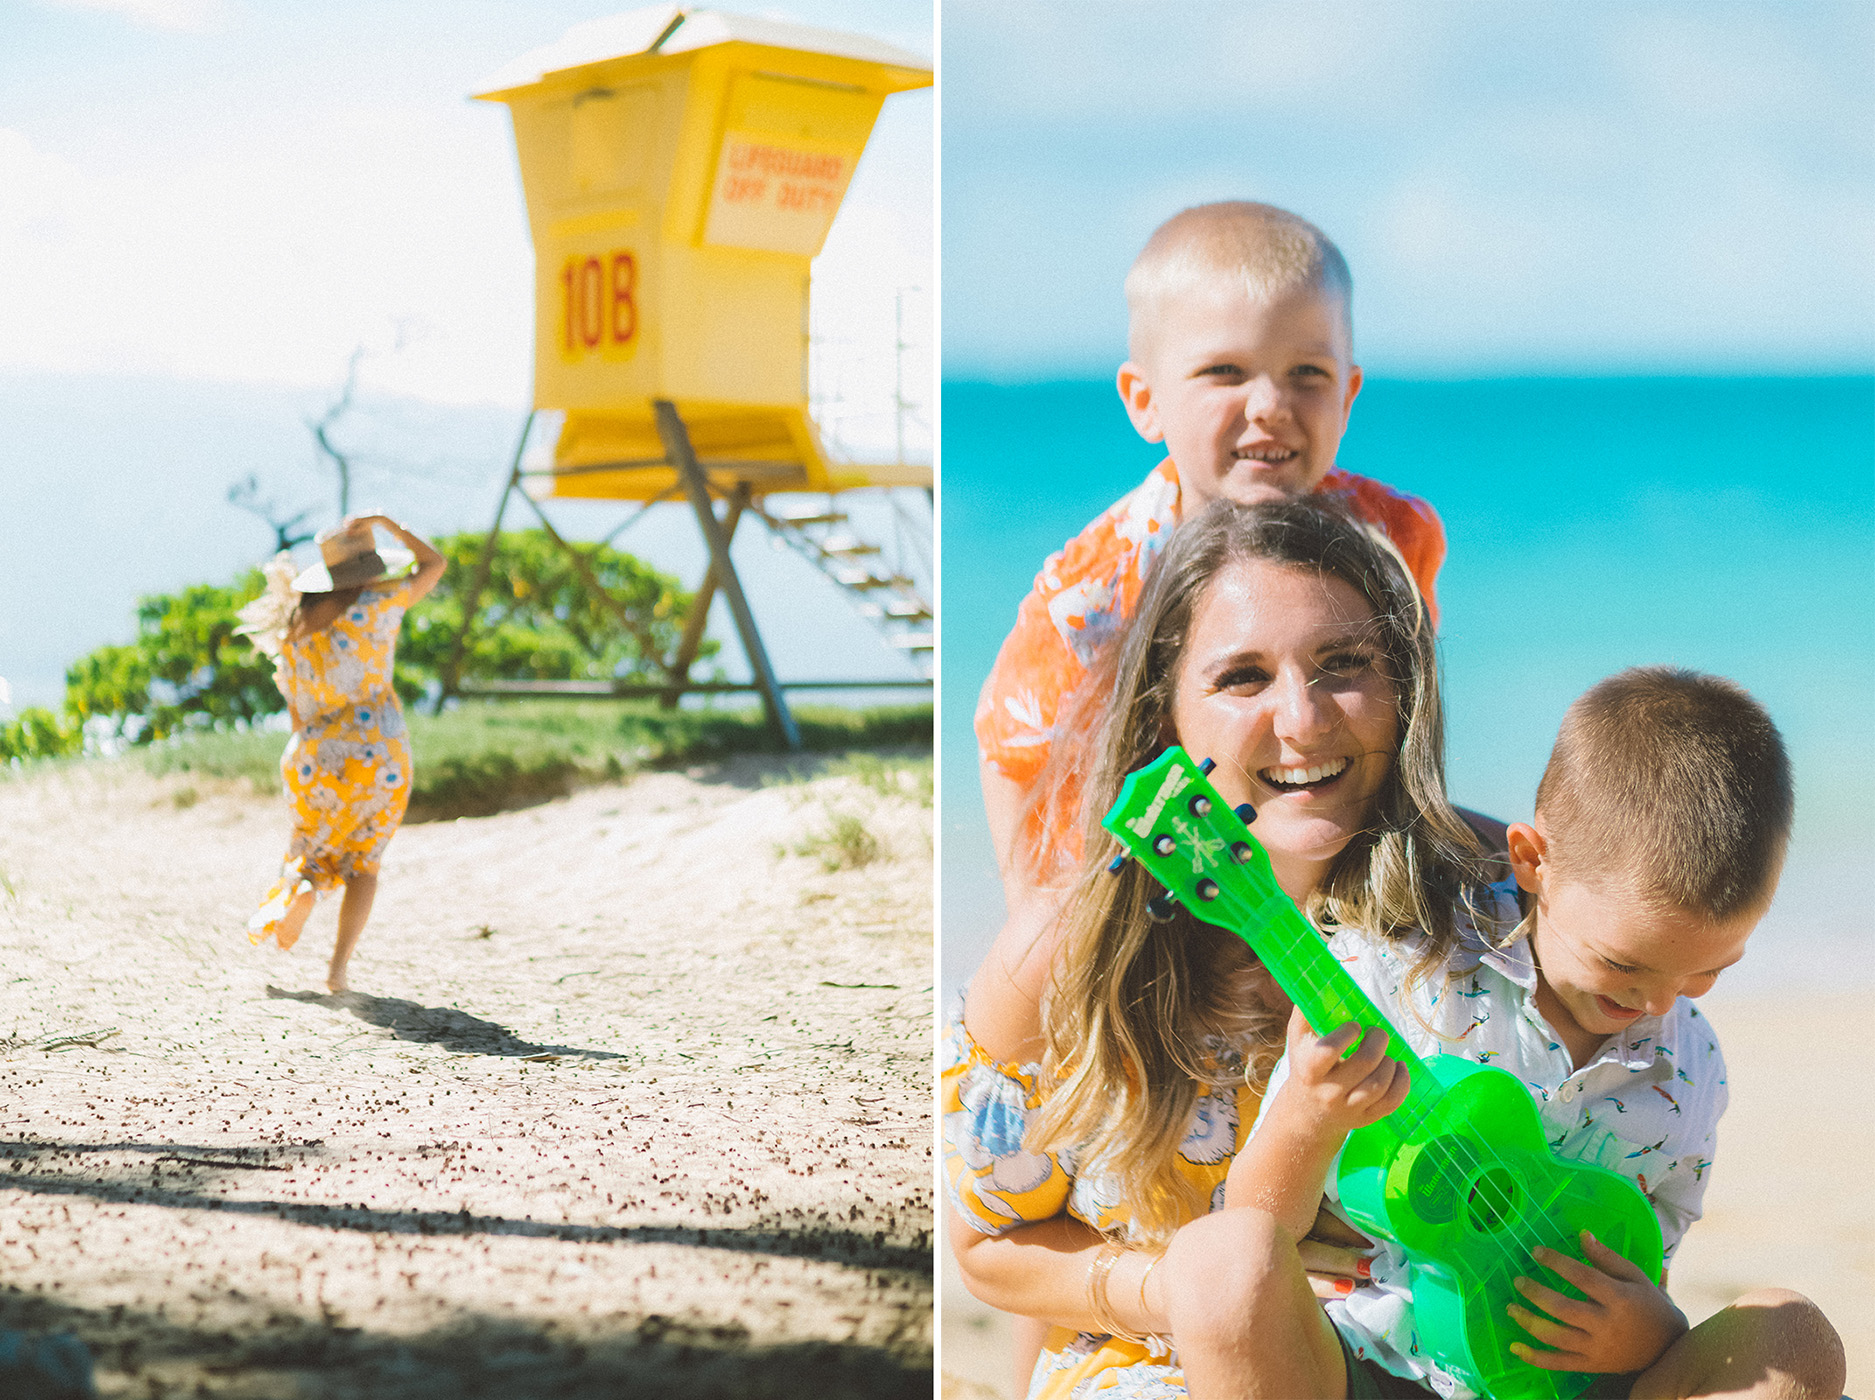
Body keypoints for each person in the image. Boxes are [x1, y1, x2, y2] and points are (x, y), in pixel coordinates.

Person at [945, 497, 1493, 1398]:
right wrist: (1187, 1290)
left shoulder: (1487, 907)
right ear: (1167, 718)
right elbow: (991, 1249)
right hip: (1160, 1363)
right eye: (1242, 677)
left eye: (1344, 665)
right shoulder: (1056, 952)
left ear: (1404, 689)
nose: (1303, 719)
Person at [1215, 668, 1846, 1398]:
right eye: (1622, 964)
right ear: (1532, 860)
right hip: (1377, 1365)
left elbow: (1639, 1263)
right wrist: (1306, 1117)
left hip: (1562, 1382)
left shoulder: (1691, 1062)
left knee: (1791, 1334)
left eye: (1707, 973)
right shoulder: (1400, 981)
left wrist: (1655, 1332)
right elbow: (1258, 1234)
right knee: (1215, 1266)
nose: (1658, 1004)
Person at [974, 201, 1453, 898]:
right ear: (1145, 401)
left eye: (1307, 374)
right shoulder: (1092, 593)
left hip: (1321, 863)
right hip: (1147, 876)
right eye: (1225, 371)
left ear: (1347, 394)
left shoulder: (1392, 533)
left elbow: (1403, 720)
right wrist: (1041, 912)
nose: (1268, 404)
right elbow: (1013, 749)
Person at [237, 515, 446, 994]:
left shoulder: (294, 631)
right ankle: (337, 972)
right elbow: (435, 563)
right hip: (379, 751)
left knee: (311, 854)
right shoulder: (382, 603)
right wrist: (387, 523)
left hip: (312, 754)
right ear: (369, 567)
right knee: (364, 865)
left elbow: (296, 714)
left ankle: (306, 888)